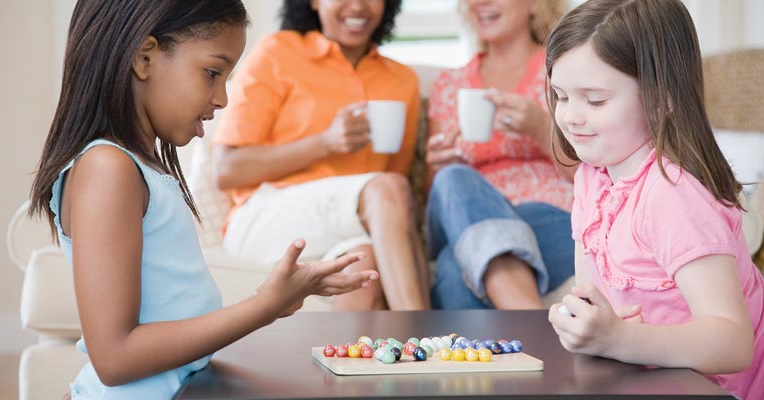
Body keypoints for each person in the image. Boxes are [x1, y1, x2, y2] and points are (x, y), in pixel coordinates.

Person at [28, 1, 379, 398]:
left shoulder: (139, 169)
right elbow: (114, 358)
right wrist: (262, 306)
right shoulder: (108, 169)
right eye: (212, 73)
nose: (223, 98)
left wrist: (275, 301)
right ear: (144, 58)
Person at [544, 0, 764, 399]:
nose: (571, 116)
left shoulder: (673, 194)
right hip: (648, 382)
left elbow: (734, 343)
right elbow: (594, 301)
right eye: (561, 96)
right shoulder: (592, 178)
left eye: (594, 100)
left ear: (661, 99)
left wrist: (619, 338)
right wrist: (585, 325)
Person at [213, 0, 430, 311]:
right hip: (266, 220)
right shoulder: (278, 52)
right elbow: (226, 170)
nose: (357, 6)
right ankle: (425, 340)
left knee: (364, 271)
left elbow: (398, 199)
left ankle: (342, 360)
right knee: (386, 187)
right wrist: (325, 143)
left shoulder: (401, 81)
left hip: (349, 230)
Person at [426, 0, 573, 310]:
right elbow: (437, 198)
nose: (479, 3)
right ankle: (532, 324)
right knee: (453, 177)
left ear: (536, 4)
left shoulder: (563, 69)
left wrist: (540, 127)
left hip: (552, 218)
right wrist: (441, 166)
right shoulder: (448, 85)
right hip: (463, 210)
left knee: (455, 265)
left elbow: (594, 172)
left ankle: (486, 355)